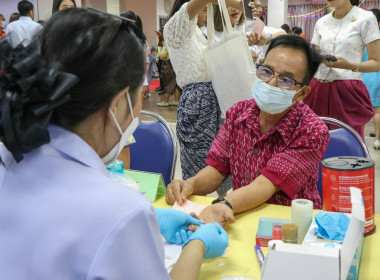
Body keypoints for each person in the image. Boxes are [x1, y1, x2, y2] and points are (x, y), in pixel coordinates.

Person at [0, 8, 228, 279]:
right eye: (139, 96)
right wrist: (197, 245)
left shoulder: (10, 158)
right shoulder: (121, 211)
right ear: (119, 102)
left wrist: (151, 218)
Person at [166, 35, 329, 225]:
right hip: (240, 214)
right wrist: (190, 184)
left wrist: (224, 203)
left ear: (302, 93)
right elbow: (218, 168)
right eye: (267, 71)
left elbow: (267, 184)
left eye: (286, 80)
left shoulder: (312, 130)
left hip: (289, 224)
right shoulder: (238, 113)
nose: (271, 83)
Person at [164, 0, 243, 193]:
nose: (205, 14)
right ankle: (194, 207)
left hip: (218, 98)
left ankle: (220, 201)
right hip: (198, 102)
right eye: (204, 10)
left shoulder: (200, 32)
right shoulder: (175, 27)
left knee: (223, 159)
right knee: (198, 161)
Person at [303, 0, 380, 140]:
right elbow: (315, 53)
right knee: (315, 140)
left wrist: (350, 65)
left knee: (346, 141)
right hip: (317, 87)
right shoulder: (321, 22)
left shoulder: (366, 18)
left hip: (347, 88)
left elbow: (377, 63)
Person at [362, 8, 380, 149]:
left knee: (359, 110)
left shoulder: (362, 35)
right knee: (378, 111)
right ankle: (377, 140)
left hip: (362, 75)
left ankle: (360, 140)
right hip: (378, 75)